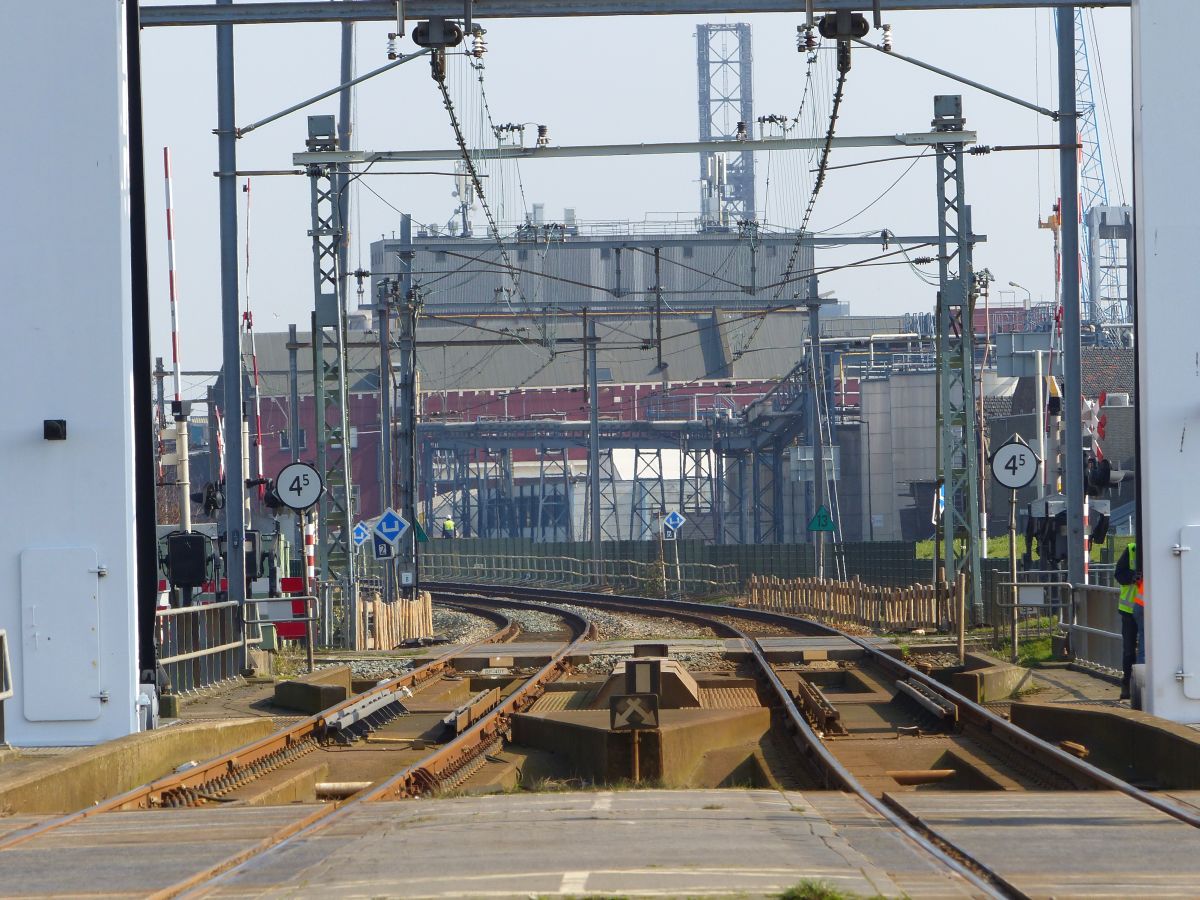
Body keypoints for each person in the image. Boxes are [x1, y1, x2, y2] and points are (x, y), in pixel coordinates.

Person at [1114, 541, 1144, 700]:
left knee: (1145, 649)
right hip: (1129, 610)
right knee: (1129, 650)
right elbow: (1119, 574)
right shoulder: (1132, 548)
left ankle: (1140, 684)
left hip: (1147, 609)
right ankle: (1127, 683)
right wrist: (1132, 577)